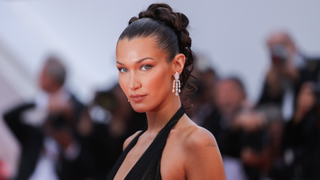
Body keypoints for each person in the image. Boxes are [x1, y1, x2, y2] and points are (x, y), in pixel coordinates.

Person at [107, 3, 226, 180]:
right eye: (123, 69)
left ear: (177, 65)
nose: (132, 84)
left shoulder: (197, 143)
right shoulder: (131, 143)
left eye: (145, 67)